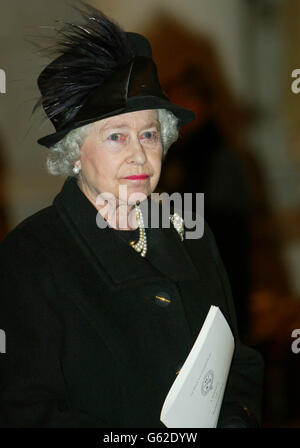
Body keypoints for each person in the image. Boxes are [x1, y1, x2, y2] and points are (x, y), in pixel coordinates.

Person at [0, 4, 263, 428]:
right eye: (116, 137)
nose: (139, 154)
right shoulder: (32, 256)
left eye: (149, 134)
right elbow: (26, 410)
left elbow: (239, 365)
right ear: (74, 154)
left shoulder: (191, 234)